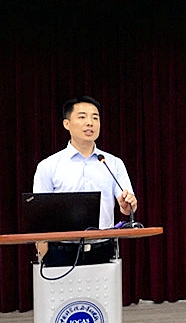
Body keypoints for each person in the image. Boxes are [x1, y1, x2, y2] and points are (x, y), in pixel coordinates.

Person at [32, 95, 138, 267]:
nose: (90, 123)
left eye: (95, 118)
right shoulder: (48, 166)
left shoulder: (113, 163)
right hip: (60, 251)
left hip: (103, 250)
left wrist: (127, 205)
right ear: (66, 124)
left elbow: (127, 207)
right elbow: (39, 216)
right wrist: (45, 253)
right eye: (82, 117)